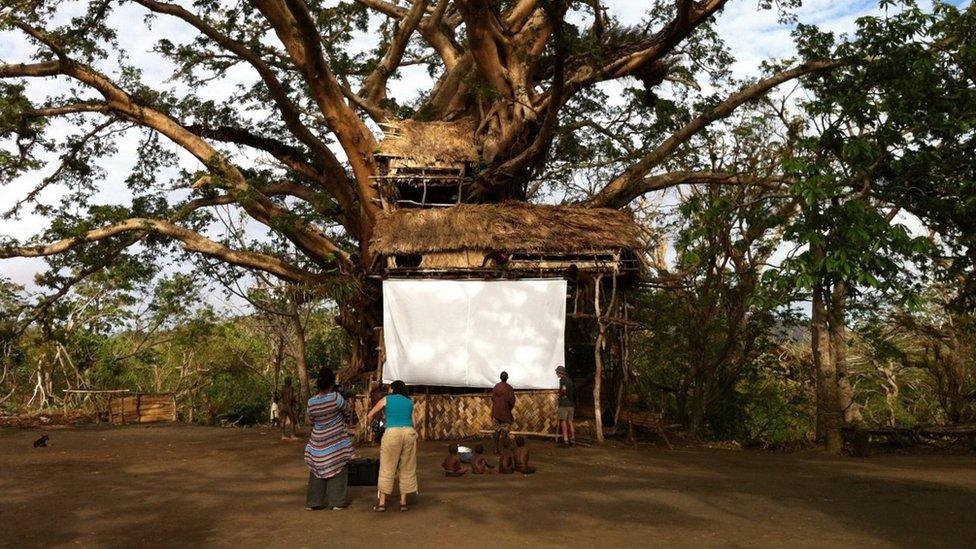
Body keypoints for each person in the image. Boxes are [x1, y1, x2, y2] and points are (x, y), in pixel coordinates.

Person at [304, 367, 355, 511]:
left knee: (317, 471)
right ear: (332, 383)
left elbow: (311, 420)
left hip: (318, 442)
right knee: (338, 469)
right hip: (337, 442)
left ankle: (314, 502)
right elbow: (347, 410)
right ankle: (337, 501)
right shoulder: (336, 398)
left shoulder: (311, 402)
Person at [365, 380, 418, 512]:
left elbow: (371, 414)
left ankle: (382, 503)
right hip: (409, 432)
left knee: (387, 467)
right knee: (407, 467)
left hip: (392, 433)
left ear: (393, 389)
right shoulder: (409, 401)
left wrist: (368, 426)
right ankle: (403, 503)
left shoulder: (386, 399)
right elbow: (414, 422)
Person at [492, 371, 516, 454]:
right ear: (507, 378)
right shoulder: (509, 388)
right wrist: (508, 409)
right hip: (505, 413)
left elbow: (493, 399)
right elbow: (512, 401)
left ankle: (495, 449)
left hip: (496, 412)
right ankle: (502, 449)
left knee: (496, 431)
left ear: (500, 377)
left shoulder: (496, 387)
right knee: (504, 432)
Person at [555, 366, 575, 447]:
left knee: (563, 422)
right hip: (571, 404)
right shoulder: (569, 380)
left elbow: (563, 389)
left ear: (560, 373)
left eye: (557, 372)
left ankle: (565, 440)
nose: (556, 373)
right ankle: (573, 438)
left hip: (564, 404)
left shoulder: (562, 380)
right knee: (570, 422)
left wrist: (562, 396)